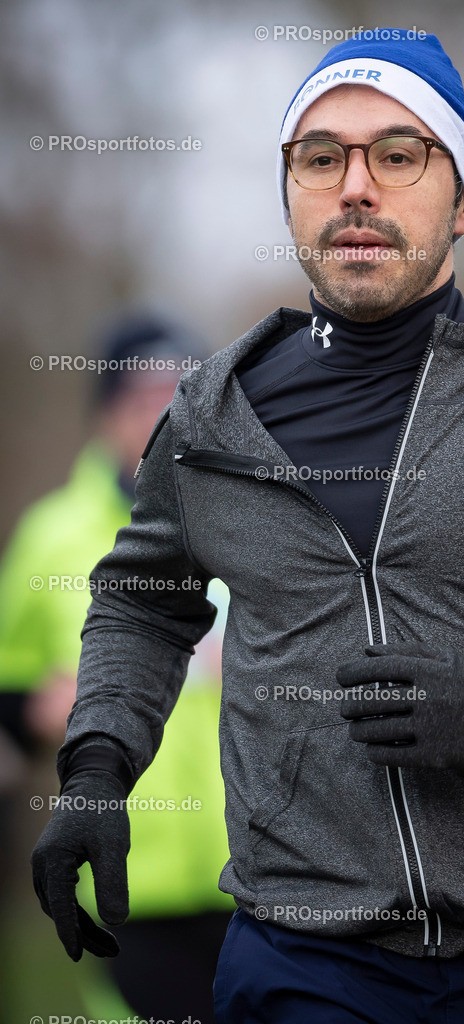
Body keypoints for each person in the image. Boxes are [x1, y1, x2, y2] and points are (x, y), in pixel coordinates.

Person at [30, 30, 464, 1023]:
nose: (355, 188)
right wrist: (97, 765)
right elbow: (143, 603)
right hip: (304, 960)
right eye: (320, 156)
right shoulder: (211, 416)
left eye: (398, 153)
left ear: (460, 200)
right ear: (290, 191)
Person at [0, 316, 234, 1023]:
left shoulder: (247, 525)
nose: (162, 417)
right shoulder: (51, 536)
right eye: (141, 400)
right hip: (125, 880)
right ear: (104, 417)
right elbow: (9, 690)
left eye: (179, 396)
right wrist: (38, 710)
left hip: (254, 873)